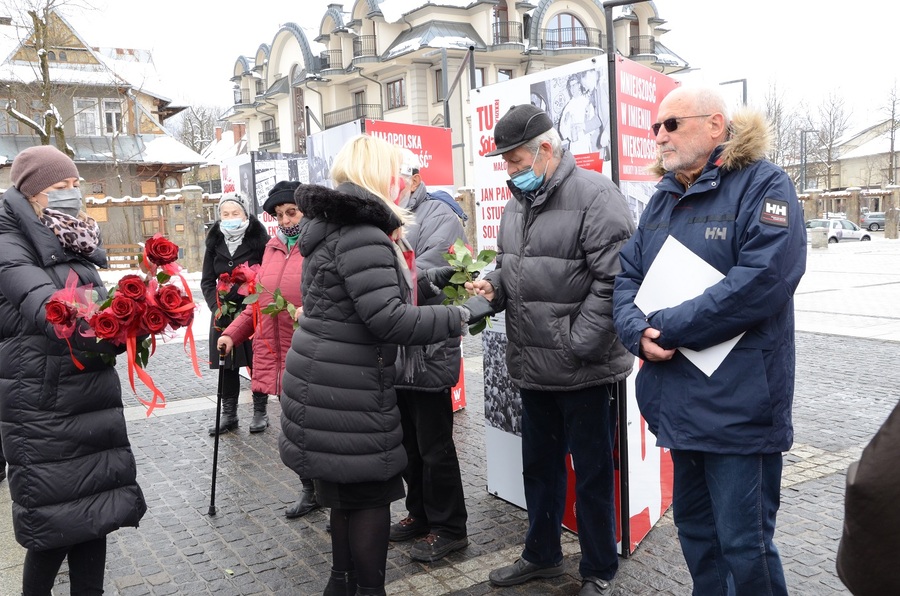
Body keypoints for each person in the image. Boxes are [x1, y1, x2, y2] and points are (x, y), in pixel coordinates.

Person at [612, 86, 807, 596]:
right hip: (678, 404)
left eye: (671, 124)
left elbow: (761, 281)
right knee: (698, 536)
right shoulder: (662, 198)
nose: (658, 136)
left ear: (715, 125)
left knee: (745, 545)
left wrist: (668, 326)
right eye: (655, 127)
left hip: (740, 408)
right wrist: (637, 333)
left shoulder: (764, 186)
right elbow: (626, 278)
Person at [279, 134, 492, 596]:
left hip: (323, 377)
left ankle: (343, 584)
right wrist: (464, 313)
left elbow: (363, 295)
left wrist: (433, 277)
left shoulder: (334, 227)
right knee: (371, 496)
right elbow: (389, 318)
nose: (402, 179)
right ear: (378, 175)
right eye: (395, 170)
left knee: (344, 497)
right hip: (348, 386)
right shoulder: (364, 234)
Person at [468, 104, 635, 596]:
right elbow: (512, 266)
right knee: (539, 468)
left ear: (546, 149)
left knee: (593, 475)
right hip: (534, 365)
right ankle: (541, 554)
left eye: (516, 161)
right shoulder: (519, 204)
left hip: (583, 369)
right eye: (505, 163)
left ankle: (599, 570)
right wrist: (492, 286)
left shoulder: (597, 196)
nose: (510, 171)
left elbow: (616, 281)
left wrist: (576, 343)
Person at [0, 145, 147, 595]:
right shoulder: (8, 240)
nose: (71, 195)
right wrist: (98, 324)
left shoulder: (73, 236)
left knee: (96, 515)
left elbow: (95, 306)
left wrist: (133, 316)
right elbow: (47, 307)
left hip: (89, 392)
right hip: (41, 402)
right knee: (52, 522)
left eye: (74, 185)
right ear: (32, 193)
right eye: (59, 188)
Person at [216, 181, 320, 519]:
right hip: (276, 355)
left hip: (312, 355)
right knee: (295, 433)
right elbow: (259, 304)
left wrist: (313, 315)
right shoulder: (272, 249)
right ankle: (310, 491)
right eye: (279, 215)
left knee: (317, 431)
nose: (286, 220)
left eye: (292, 212)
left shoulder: (320, 247)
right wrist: (232, 334)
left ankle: (337, 499)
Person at [388, 154, 469, 562]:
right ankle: (418, 514)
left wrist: (383, 277)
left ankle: (450, 527)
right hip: (396, 348)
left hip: (429, 347)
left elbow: (435, 267)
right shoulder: (389, 213)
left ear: (415, 178)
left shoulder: (440, 212)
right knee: (408, 443)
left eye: (395, 178)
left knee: (435, 446)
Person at [200, 193, 268, 435]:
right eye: (224, 214)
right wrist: (215, 307)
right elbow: (207, 280)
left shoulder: (259, 239)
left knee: (257, 360)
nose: (229, 218)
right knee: (226, 364)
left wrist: (256, 297)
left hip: (252, 309)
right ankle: (229, 415)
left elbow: (267, 275)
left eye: (234, 213)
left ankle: (260, 412)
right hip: (223, 312)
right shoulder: (214, 242)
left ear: (245, 213)